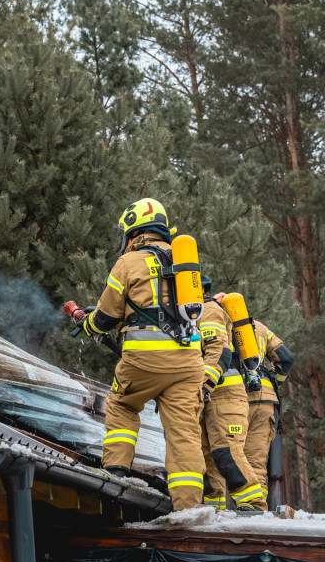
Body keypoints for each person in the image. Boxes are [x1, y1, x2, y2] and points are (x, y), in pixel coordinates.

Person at [76, 198, 206, 511]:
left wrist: (88, 324)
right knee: (184, 432)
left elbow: (106, 316)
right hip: (190, 363)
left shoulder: (129, 262)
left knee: (122, 404)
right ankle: (188, 509)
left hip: (144, 359)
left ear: (133, 232)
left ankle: (115, 476)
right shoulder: (183, 261)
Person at [198, 278, 266, 512]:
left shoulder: (208, 310)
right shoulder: (190, 314)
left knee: (227, 452)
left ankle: (254, 505)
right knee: (208, 459)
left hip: (224, 393)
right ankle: (213, 511)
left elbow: (221, 353)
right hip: (208, 393)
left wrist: (204, 385)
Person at [246, 319, 294, 501]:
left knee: (219, 459)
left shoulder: (212, 321)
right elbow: (287, 358)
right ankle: (256, 510)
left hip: (229, 399)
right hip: (264, 400)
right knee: (256, 464)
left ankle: (216, 512)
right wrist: (275, 380)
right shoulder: (259, 327)